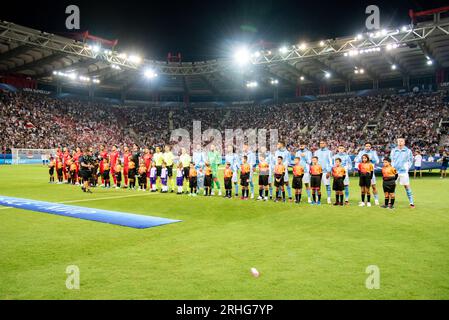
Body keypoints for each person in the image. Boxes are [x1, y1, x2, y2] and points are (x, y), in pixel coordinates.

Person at [390, 138, 415, 208]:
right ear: (397, 142)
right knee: (392, 187)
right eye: (399, 141)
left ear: (404, 143)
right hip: (395, 172)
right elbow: (391, 160)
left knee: (406, 186)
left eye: (401, 141)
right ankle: (391, 202)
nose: (400, 142)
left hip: (404, 172)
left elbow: (411, 160)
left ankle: (411, 202)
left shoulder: (408, 151)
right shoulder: (393, 150)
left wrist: (407, 167)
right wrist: (392, 167)